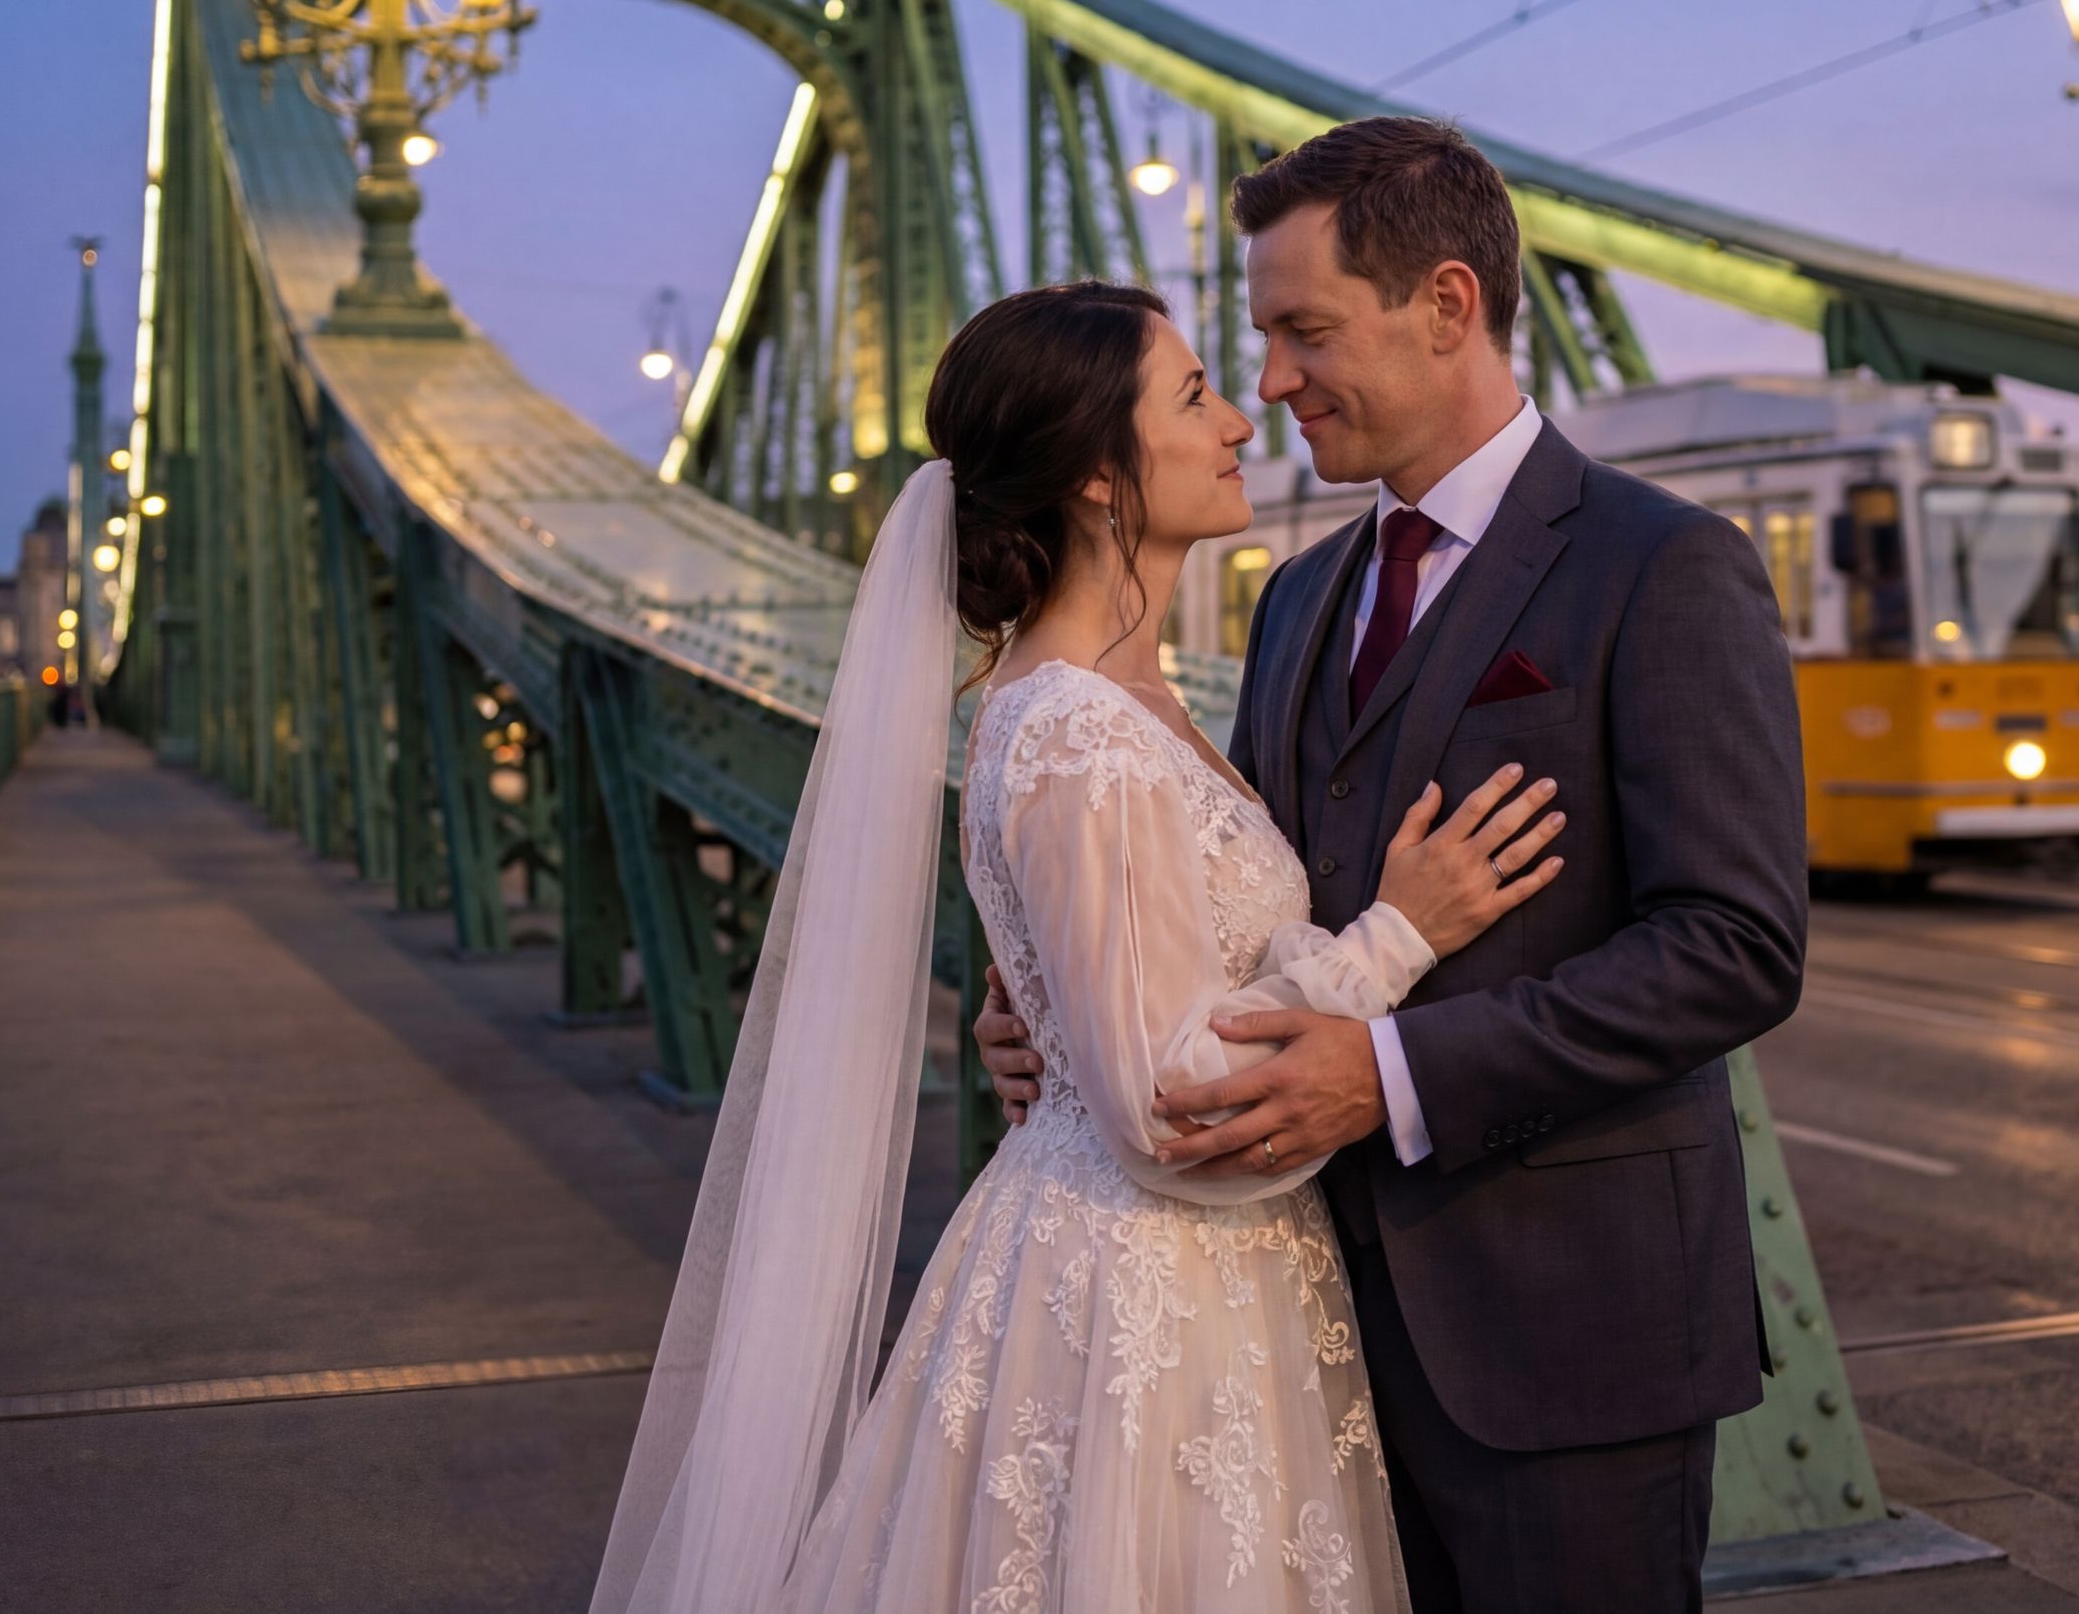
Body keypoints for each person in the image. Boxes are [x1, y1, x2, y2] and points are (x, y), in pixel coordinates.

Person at [592, 278, 1567, 1614]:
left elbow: (1131, 985)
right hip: (1141, 1295)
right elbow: (1168, 1104)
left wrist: (1045, 1012)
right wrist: (1399, 933)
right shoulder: (1077, 730)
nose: (1241, 416)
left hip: (1204, 1273)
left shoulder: (1124, 697)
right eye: (1192, 395)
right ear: (1103, 481)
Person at [977, 118, 1810, 1612]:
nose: (1275, 384)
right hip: (1300, 1335)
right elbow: (1256, 892)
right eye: (1257, 346)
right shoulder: (1298, 598)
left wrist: (1393, 1072)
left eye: (1304, 332)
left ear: (1446, 304)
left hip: (1564, 1337)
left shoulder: (1663, 565)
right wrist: (1063, 987)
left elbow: (1735, 942)